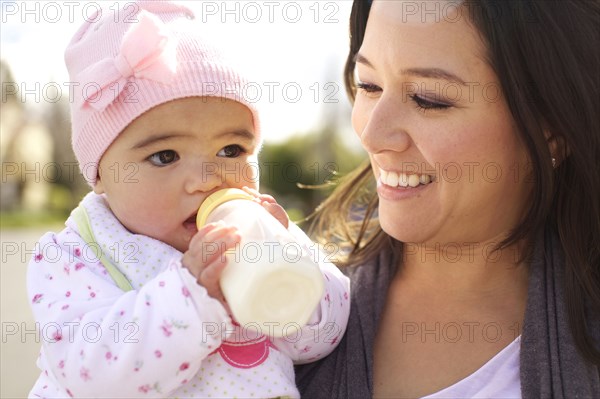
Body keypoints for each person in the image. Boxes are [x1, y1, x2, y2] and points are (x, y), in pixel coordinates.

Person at [26, 2, 349, 398]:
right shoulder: (79, 254)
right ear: (101, 176)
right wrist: (191, 297)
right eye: (165, 157)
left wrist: (292, 256)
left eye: (231, 150)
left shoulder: (257, 236)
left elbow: (323, 339)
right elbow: (87, 371)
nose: (208, 180)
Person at [296, 0, 599, 397]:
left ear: (553, 127)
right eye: (369, 84)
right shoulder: (291, 311)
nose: (371, 134)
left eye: (428, 99)